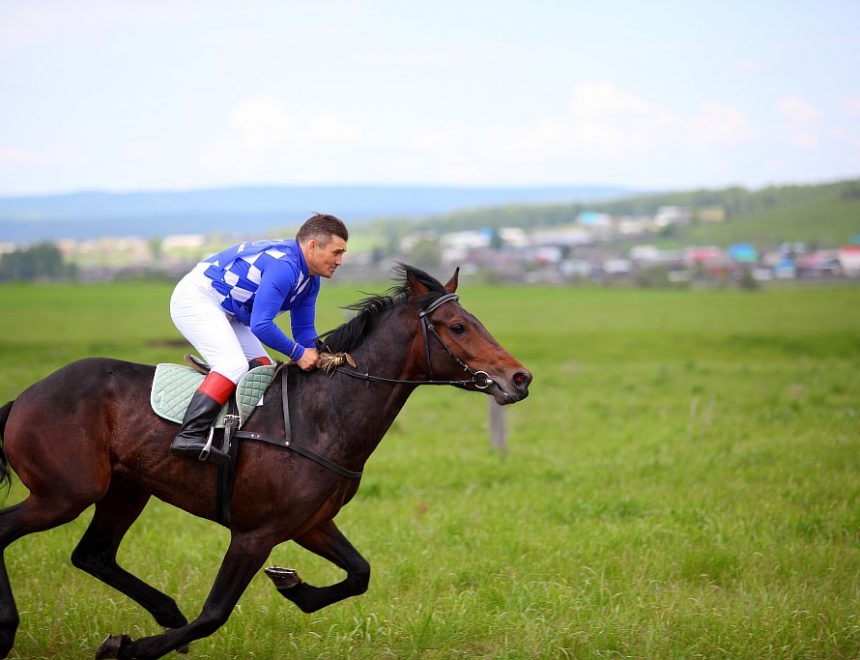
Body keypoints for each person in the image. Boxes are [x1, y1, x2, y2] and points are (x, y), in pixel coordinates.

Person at [168, 213, 348, 464]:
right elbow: (261, 325)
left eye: (343, 253)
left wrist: (315, 354)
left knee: (262, 370)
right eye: (336, 252)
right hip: (197, 298)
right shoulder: (285, 267)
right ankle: (190, 434)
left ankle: (239, 435)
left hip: (229, 311)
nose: (340, 260)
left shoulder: (311, 280)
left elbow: (304, 330)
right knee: (233, 365)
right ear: (313, 246)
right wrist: (298, 354)